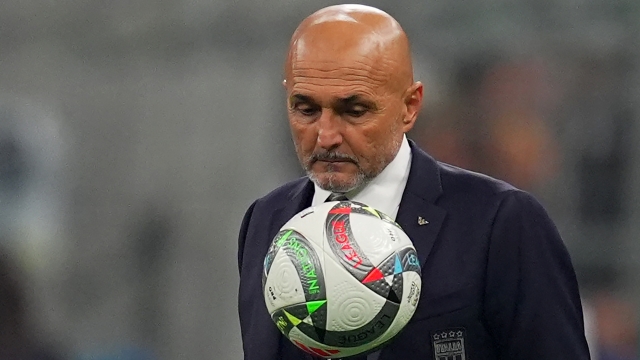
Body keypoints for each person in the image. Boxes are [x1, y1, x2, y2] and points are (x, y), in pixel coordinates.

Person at [237, 4, 590, 360]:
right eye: (306, 109)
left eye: (354, 110)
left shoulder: (500, 222)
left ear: (409, 106)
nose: (326, 135)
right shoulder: (265, 220)